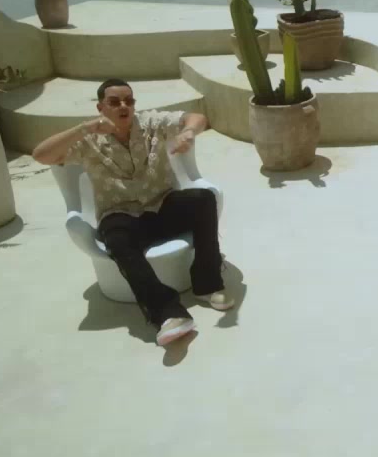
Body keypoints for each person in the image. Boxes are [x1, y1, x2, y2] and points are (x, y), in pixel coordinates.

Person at [33, 78, 235, 346]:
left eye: (129, 101)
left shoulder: (151, 123)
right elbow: (41, 155)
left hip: (162, 205)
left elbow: (196, 118)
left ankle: (208, 284)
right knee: (116, 239)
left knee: (203, 199)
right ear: (101, 107)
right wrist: (84, 128)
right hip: (122, 214)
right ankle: (167, 313)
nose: (123, 106)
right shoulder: (88, 139)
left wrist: (188, 132)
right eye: (114, 102)